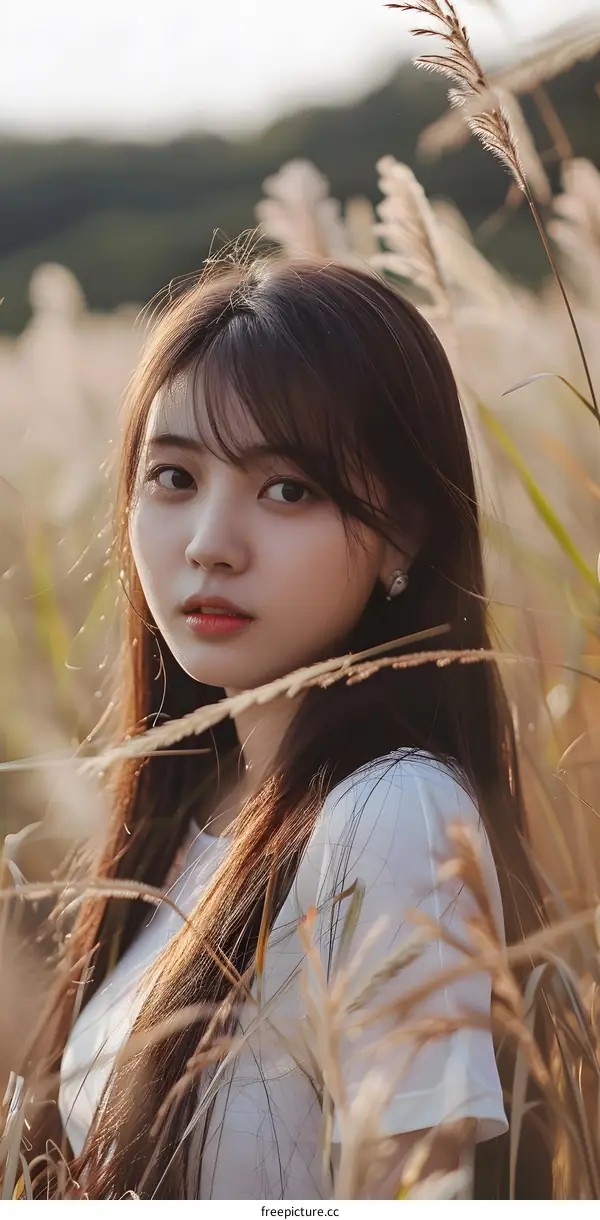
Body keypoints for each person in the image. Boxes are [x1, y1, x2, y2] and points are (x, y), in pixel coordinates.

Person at [2, 253, 555, 1200]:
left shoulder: (392, 812)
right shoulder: (204, 811)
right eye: (173, 476)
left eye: (287, 489)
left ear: (406, 533)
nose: (210, 542)